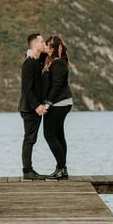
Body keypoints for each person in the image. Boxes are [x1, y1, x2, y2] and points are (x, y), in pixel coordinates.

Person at [41, 35, 73, 180]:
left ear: (52, 48)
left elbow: (57, 85)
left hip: (59, 103)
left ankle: (61, 168)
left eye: (46, 45)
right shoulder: (53, 61)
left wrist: (48, 102)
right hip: (60, 103)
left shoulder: (58, 63)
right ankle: (61, 169)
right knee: (59, 135)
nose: (44, 47)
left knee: (49, 134)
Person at [18, 33, 48, 180]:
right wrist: (36, 106)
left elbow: (48, 54)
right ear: (35, 44)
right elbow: (26, 89)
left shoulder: (37, 60)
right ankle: (27, 171)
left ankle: (28, 170)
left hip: (33, 108)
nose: (44, 44)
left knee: (31, 139)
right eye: (42, 42)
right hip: (29, 108)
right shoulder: (29, 63)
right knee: (29, 139)